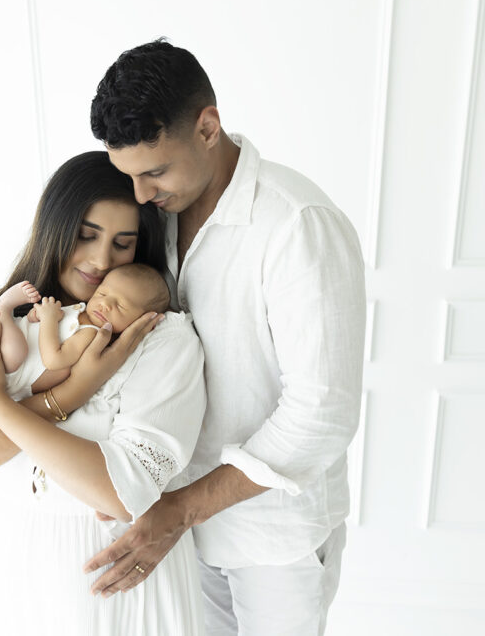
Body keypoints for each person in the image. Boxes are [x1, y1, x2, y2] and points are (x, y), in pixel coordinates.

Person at [82, 40, 366, 635]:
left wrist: (179, 511)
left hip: (274, 538)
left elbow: (323, 414)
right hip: (181, 534)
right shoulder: (152, 221)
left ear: (208, 126)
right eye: (128, 175)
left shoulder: (296, 223)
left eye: (154, 171)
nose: (139, 194)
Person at [0, 151, 208, 635]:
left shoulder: (158, 337)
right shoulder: (8, 323)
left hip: (116, 581)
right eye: (86, 235)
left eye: (122, 244)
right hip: (23, 573)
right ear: (55, 228)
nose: (99, 261)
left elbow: (119, 492)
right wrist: (68, 395)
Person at [0, 264, 172, 402]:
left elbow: (53, 360)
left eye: (120, 306)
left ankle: (4, 309)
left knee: (14, 349)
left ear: (139, 321)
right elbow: (35, 324)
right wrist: (35, 316)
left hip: (16, 371)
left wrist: (48, 319)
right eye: (102, 293)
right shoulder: (80, 310)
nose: (104, 304)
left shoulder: (92, 334)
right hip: (9, 342)